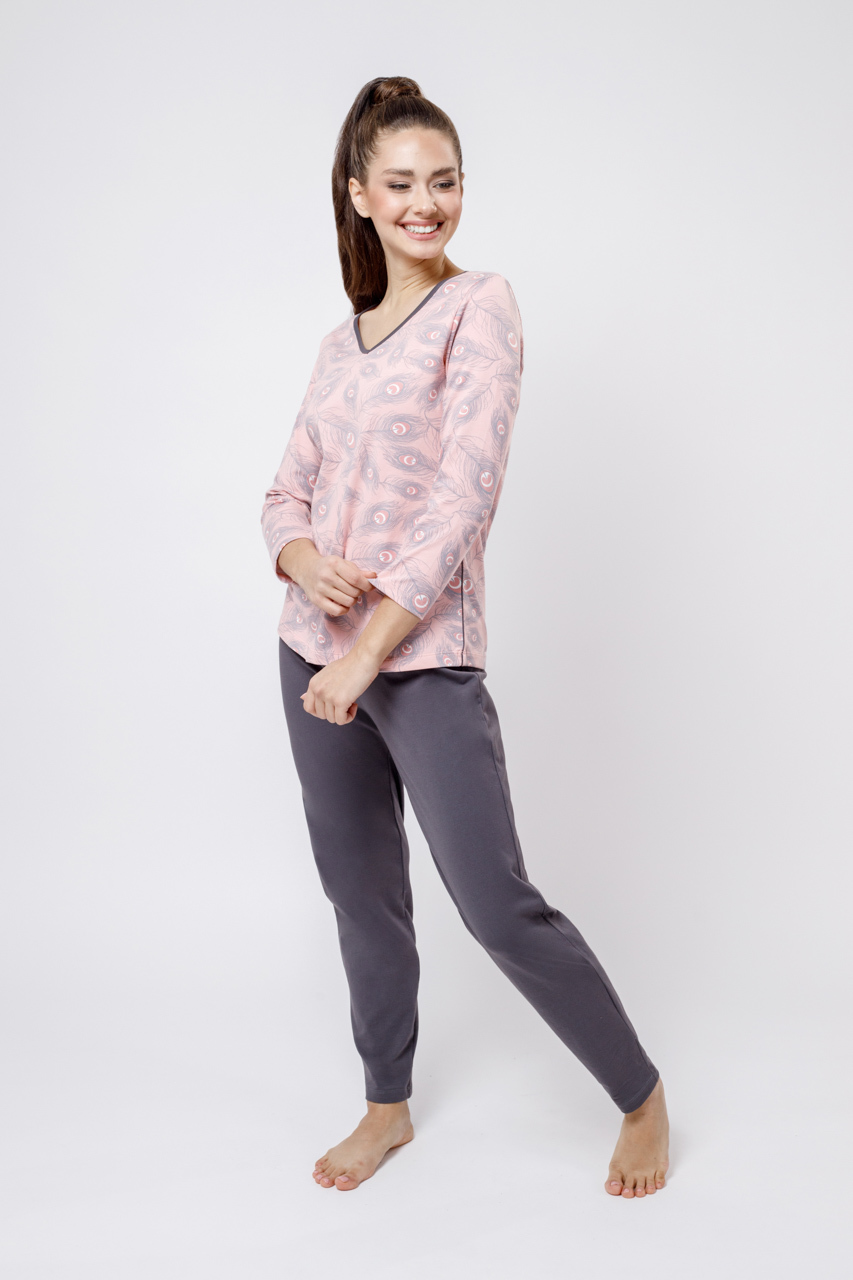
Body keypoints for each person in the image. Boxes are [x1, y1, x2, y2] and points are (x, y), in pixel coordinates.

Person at [260, 75, 670, 1198]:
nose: (425, 203)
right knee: (362, 895)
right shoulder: (338, 344)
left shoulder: (480, 305)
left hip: (419, 660)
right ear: (358, 195)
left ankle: (639, 1092)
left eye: (443, 182)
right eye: (400, 184)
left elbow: (463, 497)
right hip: (309, 654)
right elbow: (283, 493)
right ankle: (385, 1103)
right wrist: (299, 560)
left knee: (495, 904)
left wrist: (366, 651)